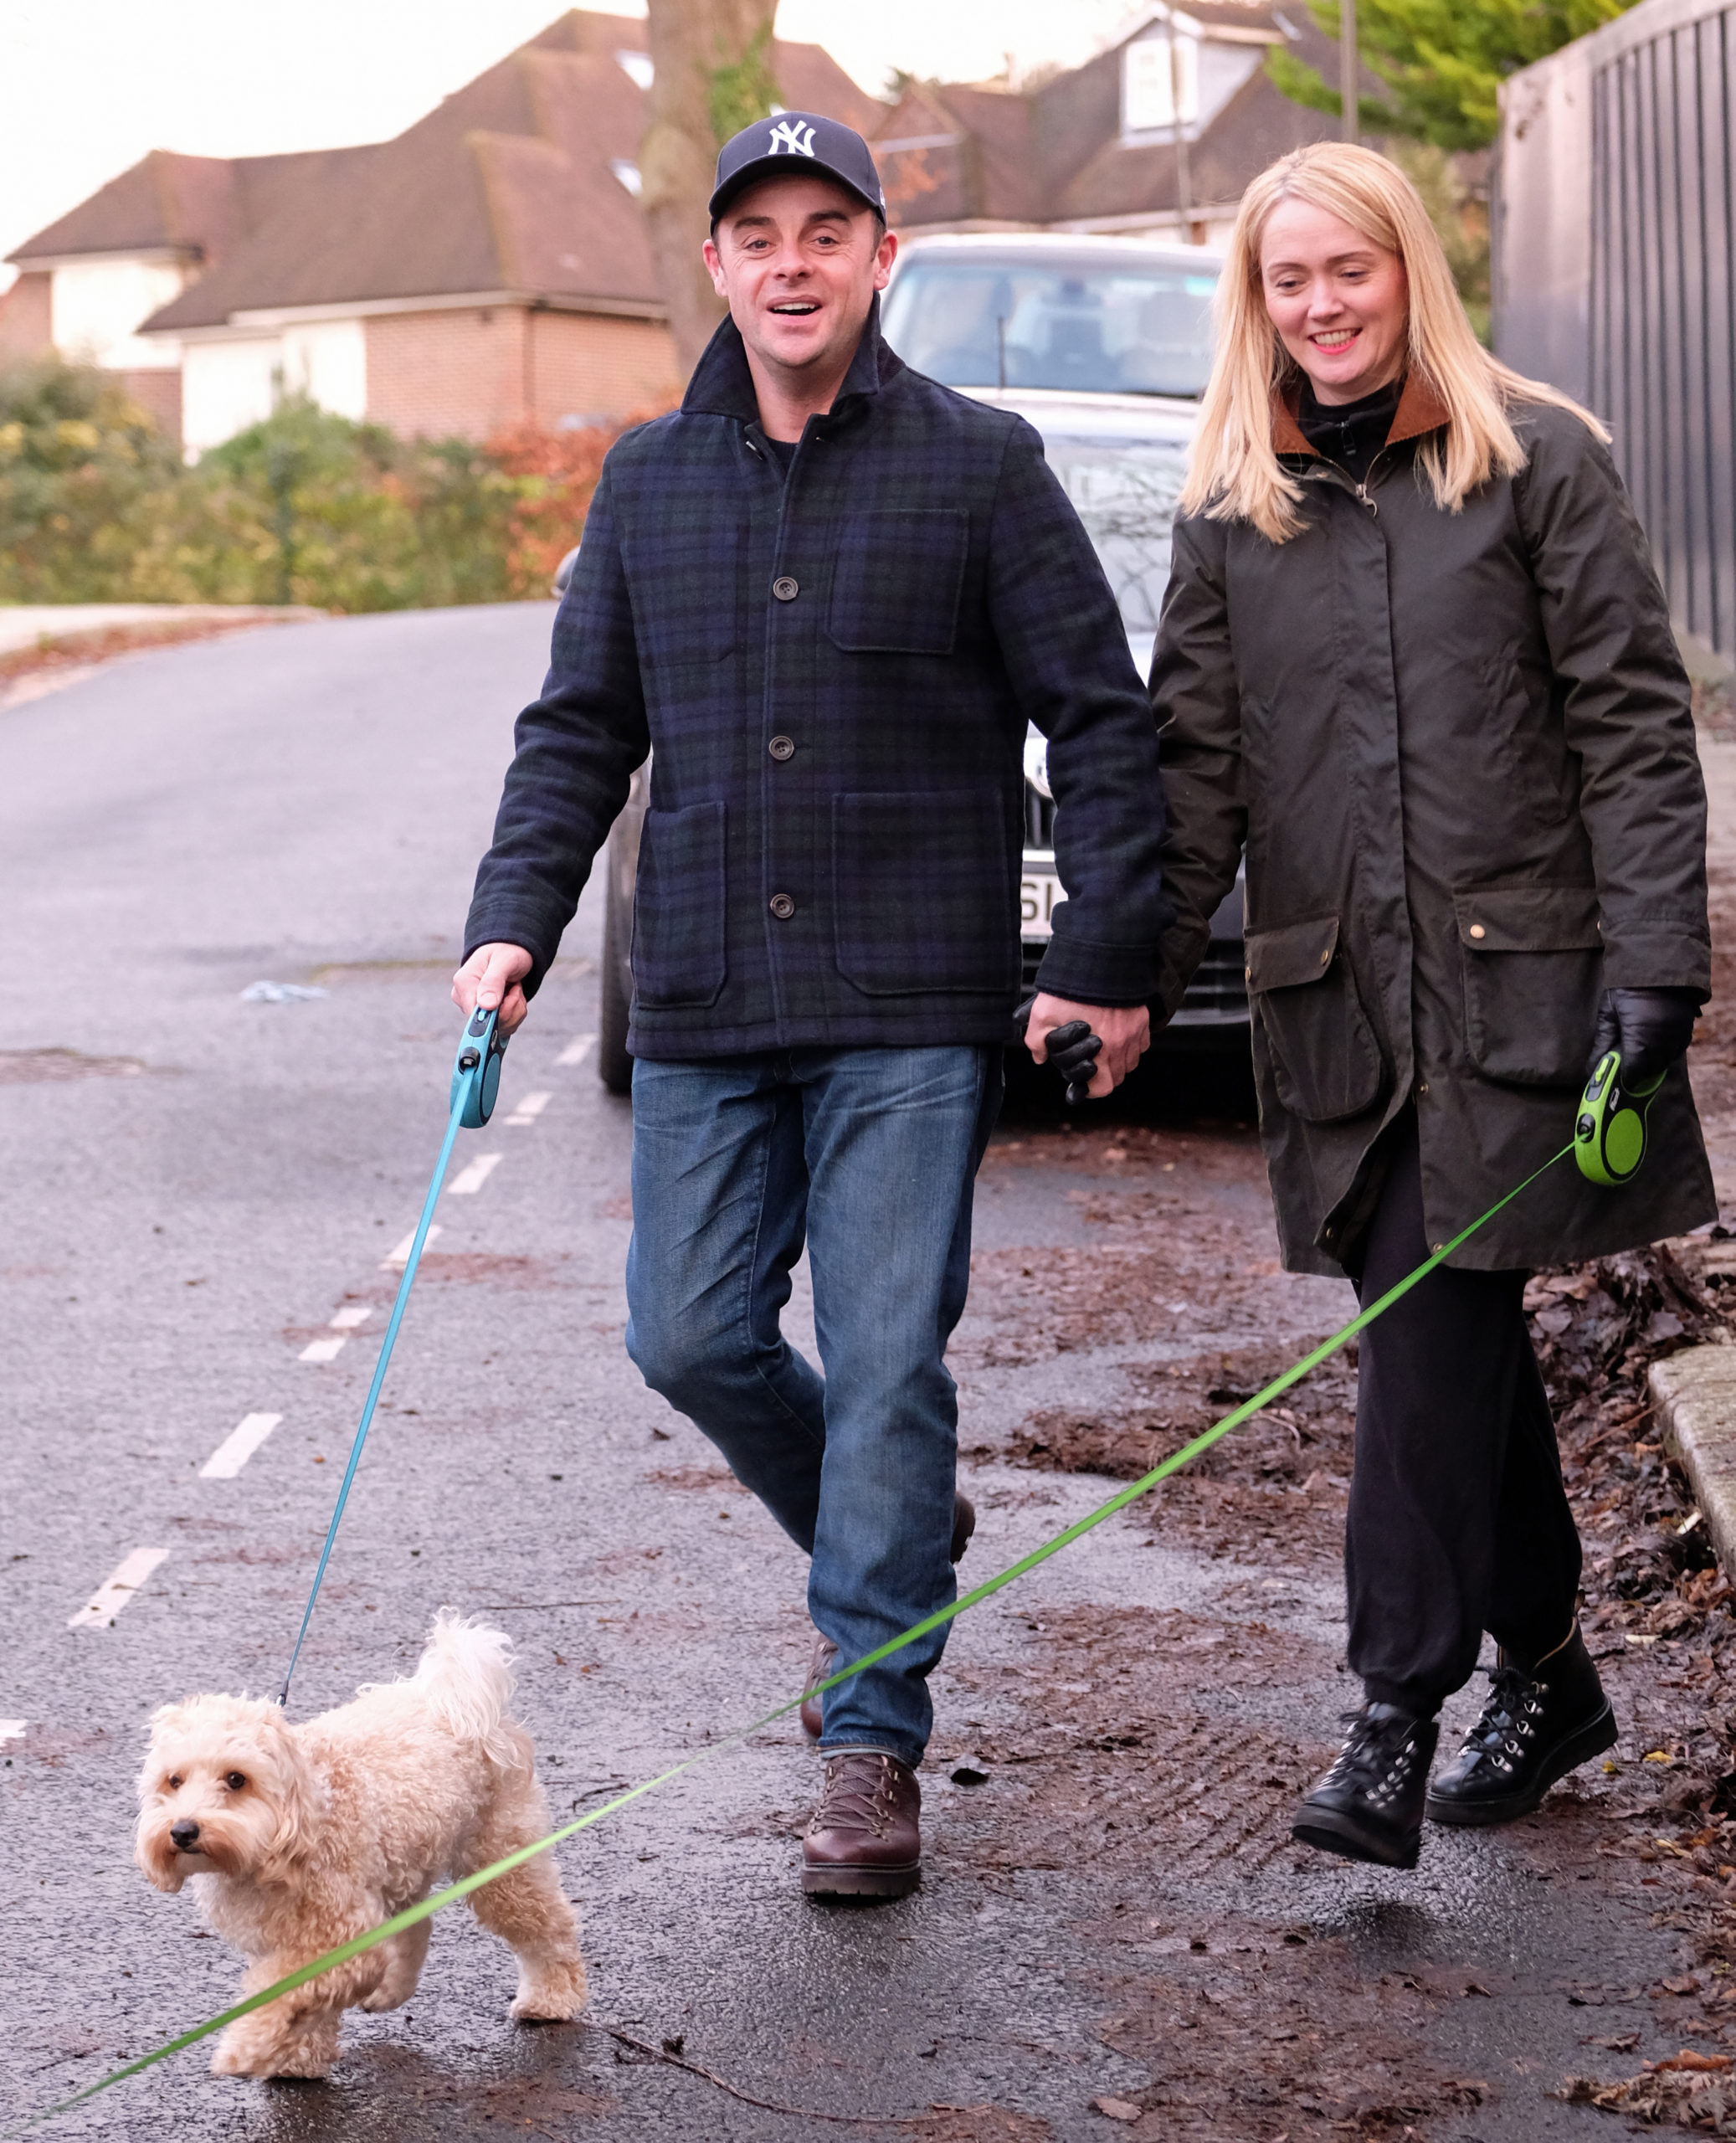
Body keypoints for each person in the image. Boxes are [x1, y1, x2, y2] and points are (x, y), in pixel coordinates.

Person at [453, 111, 1168, 1899]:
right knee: (686, 1337)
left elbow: (1094, 718)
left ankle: (869, 1736)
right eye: (756, 233)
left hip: (909, 1003)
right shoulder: (643, 482)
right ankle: (903, 1533)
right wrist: (508, 924)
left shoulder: (980, 468)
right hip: (702, 989)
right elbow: (576, 730)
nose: (790, 262)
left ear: (875, 258)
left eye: (824, 232)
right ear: (715, 267)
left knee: (885, 1356)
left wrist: (1100, 947)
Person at [1151, 141, 1713, 1871]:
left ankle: (1391, 1709)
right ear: (1255, 303)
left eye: (1350, 272)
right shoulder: (1229, 510)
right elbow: (1189, 776)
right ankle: (1546, 1669)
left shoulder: (1531, 460)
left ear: (1410, 274)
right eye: (1285, 280)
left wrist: (1652, 966)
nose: (1319, 306)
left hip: (1513, 997)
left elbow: (1626, 725)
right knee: (1444, 1339)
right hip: (1339, 1014)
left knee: (1426, 1328)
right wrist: (1111, 977)